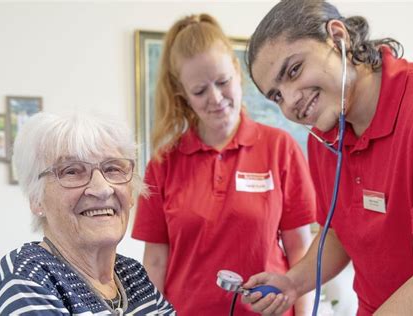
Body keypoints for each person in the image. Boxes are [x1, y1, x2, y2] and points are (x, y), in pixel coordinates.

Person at [243, 0, 413, 315]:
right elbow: (341, 231)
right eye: (276, 96)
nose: (291, 103)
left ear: (338, 38)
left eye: (294, 70)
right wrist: (292, 283)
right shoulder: (327, 134)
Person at [131, 13, 317, 315]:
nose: (216, 98)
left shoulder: (279, 148)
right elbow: (155, 261)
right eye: (200, 91)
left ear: (236, 70)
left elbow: (300, 250)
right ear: (182, 94)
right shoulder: (164, 163)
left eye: (222, 82)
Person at [0, 112, 175, 315]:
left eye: (112, 169)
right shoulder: (27, 278)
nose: (102, 189)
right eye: (71, 171)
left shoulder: (132, 275)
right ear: (36, 199)